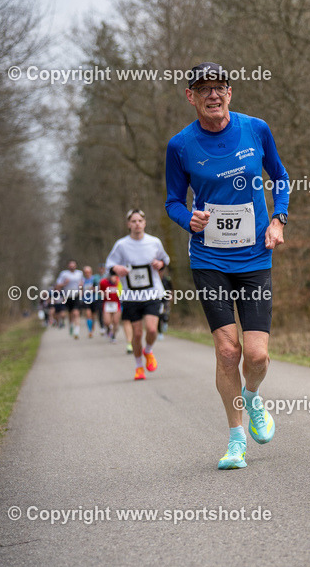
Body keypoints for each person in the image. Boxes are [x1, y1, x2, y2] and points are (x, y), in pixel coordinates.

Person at [165, 61, 289, 470]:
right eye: (204, 89)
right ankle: (236, 440)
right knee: (226, 351)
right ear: (191, 97)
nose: (212, 95)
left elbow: (281, 177)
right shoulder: (180, 145)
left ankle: (252, 399)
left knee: (256, 356)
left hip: (254, 255)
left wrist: (278, 220)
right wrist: (189, 219)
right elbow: (172, 201)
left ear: (230, 92)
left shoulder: (256, 129)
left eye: (219, 87)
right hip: (209, 256)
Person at [105, 209, 170, 380]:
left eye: (140, 221)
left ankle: (148, 351)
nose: (137, 224)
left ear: (145, 222)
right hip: (131, 296)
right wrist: (116, 268)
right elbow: (109, 264)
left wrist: (160, 263)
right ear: (128, 224)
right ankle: (138, 366)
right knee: (137, 333)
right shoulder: (121, 245)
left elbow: (166, 259)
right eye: (133, 221)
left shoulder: (154, 242)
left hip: (152, 293)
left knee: (151, 329)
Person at [53, 260, 84, 339]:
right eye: (70, 265)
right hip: (67, 296)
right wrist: (64, 283)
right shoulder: (64, 274)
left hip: (76, 296)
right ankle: (71, 325)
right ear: (68, 266)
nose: (72, 267)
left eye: (73, 265)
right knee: (70, 314)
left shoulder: (79, 273)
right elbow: (57, 286)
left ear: (76, 266)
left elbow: (82, 284)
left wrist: (81, 288)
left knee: (76, 313)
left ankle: (76, 331)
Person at [99, 270, 122, 343]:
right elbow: (100, 292)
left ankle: (113, 336)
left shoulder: (119, 282)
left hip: (116, 304)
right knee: (107, 321)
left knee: (116, 321)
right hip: (107, 304)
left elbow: (123, 291)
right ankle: (108, 329)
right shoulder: (103, 282)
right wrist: (103, 294)